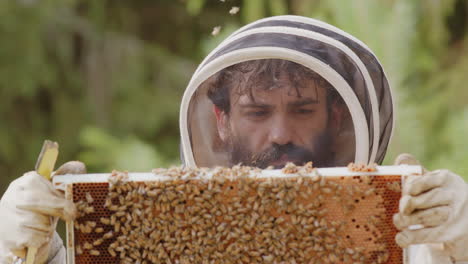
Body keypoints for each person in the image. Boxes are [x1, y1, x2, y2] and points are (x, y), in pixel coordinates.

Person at [1, 15, 467, 263]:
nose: (281, 134)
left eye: (303, 110)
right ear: (221, 120)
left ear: (339, 116)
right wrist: (23, 251)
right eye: (257, 112)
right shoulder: (162, 234)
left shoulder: (414, 236)